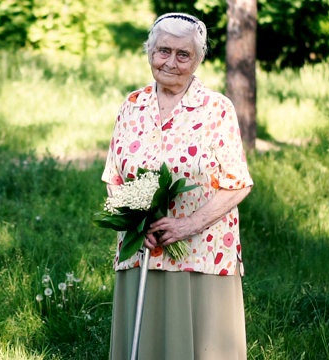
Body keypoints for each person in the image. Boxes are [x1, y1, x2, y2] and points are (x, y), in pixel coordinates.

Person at [101, 12, 254, 360]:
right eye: (163, 51)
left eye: (183, 54)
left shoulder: (217, 109)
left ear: (198, 60)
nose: (171, 62)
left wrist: (187, 225)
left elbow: (237, 184)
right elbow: (114, 177)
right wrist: (136, 221)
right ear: (150, 53)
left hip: (202, 253)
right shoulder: (131, 106)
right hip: (142, 252)